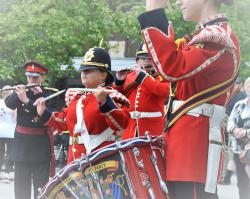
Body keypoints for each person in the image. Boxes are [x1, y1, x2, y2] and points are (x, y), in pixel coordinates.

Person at [137, 0, 240, 198]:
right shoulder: (202, 36)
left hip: (193, 145)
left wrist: (154, 10)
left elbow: (172, 67)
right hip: (184, 143)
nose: (178, 1)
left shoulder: (217, 38)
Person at [36, 47, 130, 164]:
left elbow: (122, 124)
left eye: (89, 70)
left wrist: (104, 102)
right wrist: (43, 112)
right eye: (83, 70)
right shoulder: (76, 98)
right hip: (75, 161)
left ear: (103, 75)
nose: (84, 73)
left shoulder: (111, 96)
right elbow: (65, 122)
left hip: (102, 161)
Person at [4, 61, 59, 199]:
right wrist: (19, 94)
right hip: (21, 145)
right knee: (21, 187)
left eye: (35, 77)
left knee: (41, 187)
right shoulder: (21, 91)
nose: (32, 80)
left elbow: (47, 115)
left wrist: (26, 100)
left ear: (43, 77)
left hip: (40, 145)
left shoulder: (49, 94)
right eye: (29, 77)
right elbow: (9, 104)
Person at [114, 42, 169, 139]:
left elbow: (162, 92)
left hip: (152, 128)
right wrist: (119, 81)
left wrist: (142, 76)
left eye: (150, 59)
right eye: (143, 59)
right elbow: (118, 98)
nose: (147, 62)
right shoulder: (130, 75)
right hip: (130, 129)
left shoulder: (162, 77)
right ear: (137, 61)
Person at [227, 77, 250, 199]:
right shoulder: (239, 104)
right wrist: (234, 130)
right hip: (239, 150)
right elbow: (230, 121)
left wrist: (246, 133)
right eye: (248, 85)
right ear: (245, 87)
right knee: (242, 182)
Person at [223, 78, 246, 185]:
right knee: (234, 153)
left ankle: (227, 177)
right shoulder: (240, 96)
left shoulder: (234, 94)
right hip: (235, 127)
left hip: (232, 126)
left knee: (233, 153)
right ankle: (229, 178)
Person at [0, 85, 16, 183]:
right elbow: (15, 118)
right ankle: (8, 173)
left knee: (0, 152)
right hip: (11, 131)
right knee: (10, 152)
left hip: (0, 130)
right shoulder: (12, 104)